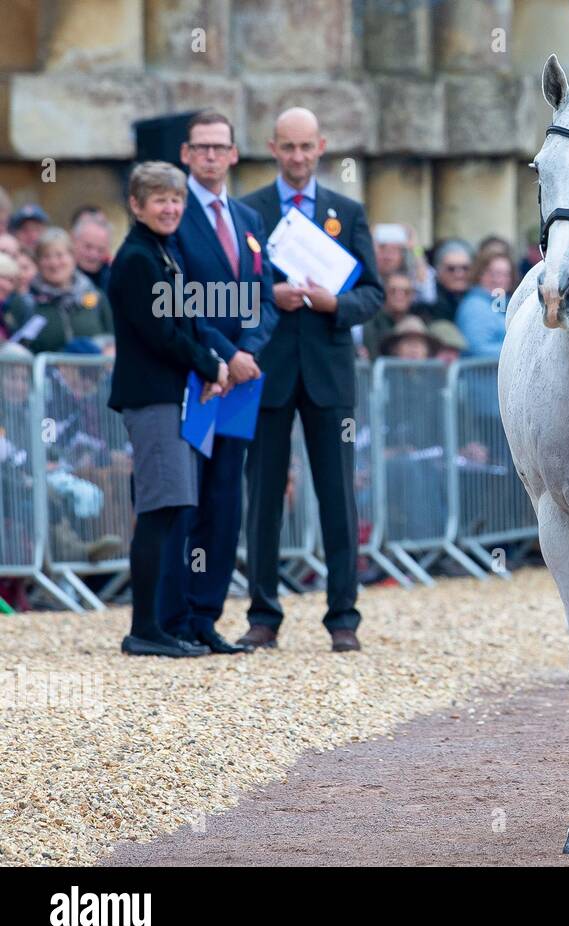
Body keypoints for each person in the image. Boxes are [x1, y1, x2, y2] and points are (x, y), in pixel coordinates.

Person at [238, 106, 383, 652]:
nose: (298, 157)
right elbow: (232, 288)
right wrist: (264, 295)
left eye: (306, 147)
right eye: (287, 147)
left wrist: (335, 303)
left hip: (328, 371)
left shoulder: (346, 211)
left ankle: (343, 617)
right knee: (264, 496)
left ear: (320, 147)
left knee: (337, 496)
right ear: (273, 148)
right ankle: (263, 616)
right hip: (267, 372)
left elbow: (373, 293)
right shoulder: (249, 211)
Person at [157, 109, 278, 654]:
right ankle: (174, 617)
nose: (210, 156)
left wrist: (249, 351)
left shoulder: (248, 217)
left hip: (242, 383)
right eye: (200, 147)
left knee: (227, 497)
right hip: (196, 376)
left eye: (219, 147)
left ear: (233, 154)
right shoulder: (173, 215)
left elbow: (264, 294)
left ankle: (207, 615)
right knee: (189, 497)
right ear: (186, 154)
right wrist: (225, 355)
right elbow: (179, 298)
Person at [107, 161, 229, 658]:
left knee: (171, 505)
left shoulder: (161, 251)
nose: (171, 207)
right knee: (159, 509)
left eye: (176, 199)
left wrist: (209, 361)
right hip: (152, 396)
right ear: (136, 205)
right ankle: (145, 628)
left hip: (170, 393)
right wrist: (209, 364)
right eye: (159, 199)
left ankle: (156, 624)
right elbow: (159, 333)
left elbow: (186, 320)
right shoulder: (138, 257)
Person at [23, 228, 113, 354]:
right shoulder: (27, 301)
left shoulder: (96, 297)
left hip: (95, 372)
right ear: (38, 262)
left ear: (73, 257)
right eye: (46, 256)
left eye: (60, 255)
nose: (54, 263)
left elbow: (113, 339)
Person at [454, 249, 514, 359]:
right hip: (483, 375)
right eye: (495, 274)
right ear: (480, 274)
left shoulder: (505, 303)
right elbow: (477, 349)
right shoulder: (474, 307)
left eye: (506, 274)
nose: (500, 280)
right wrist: (518, 351)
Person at [425, 239, 473, 322]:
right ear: (438, 271)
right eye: (451, 269)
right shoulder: (429, 299)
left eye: (465, 268)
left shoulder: (475, 295)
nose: (459, 274)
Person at [70, 214, 113, 292]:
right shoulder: (57, 273)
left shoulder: (114, 280)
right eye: (88, 246)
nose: (93, 255)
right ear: (73, 240)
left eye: (100, 250)